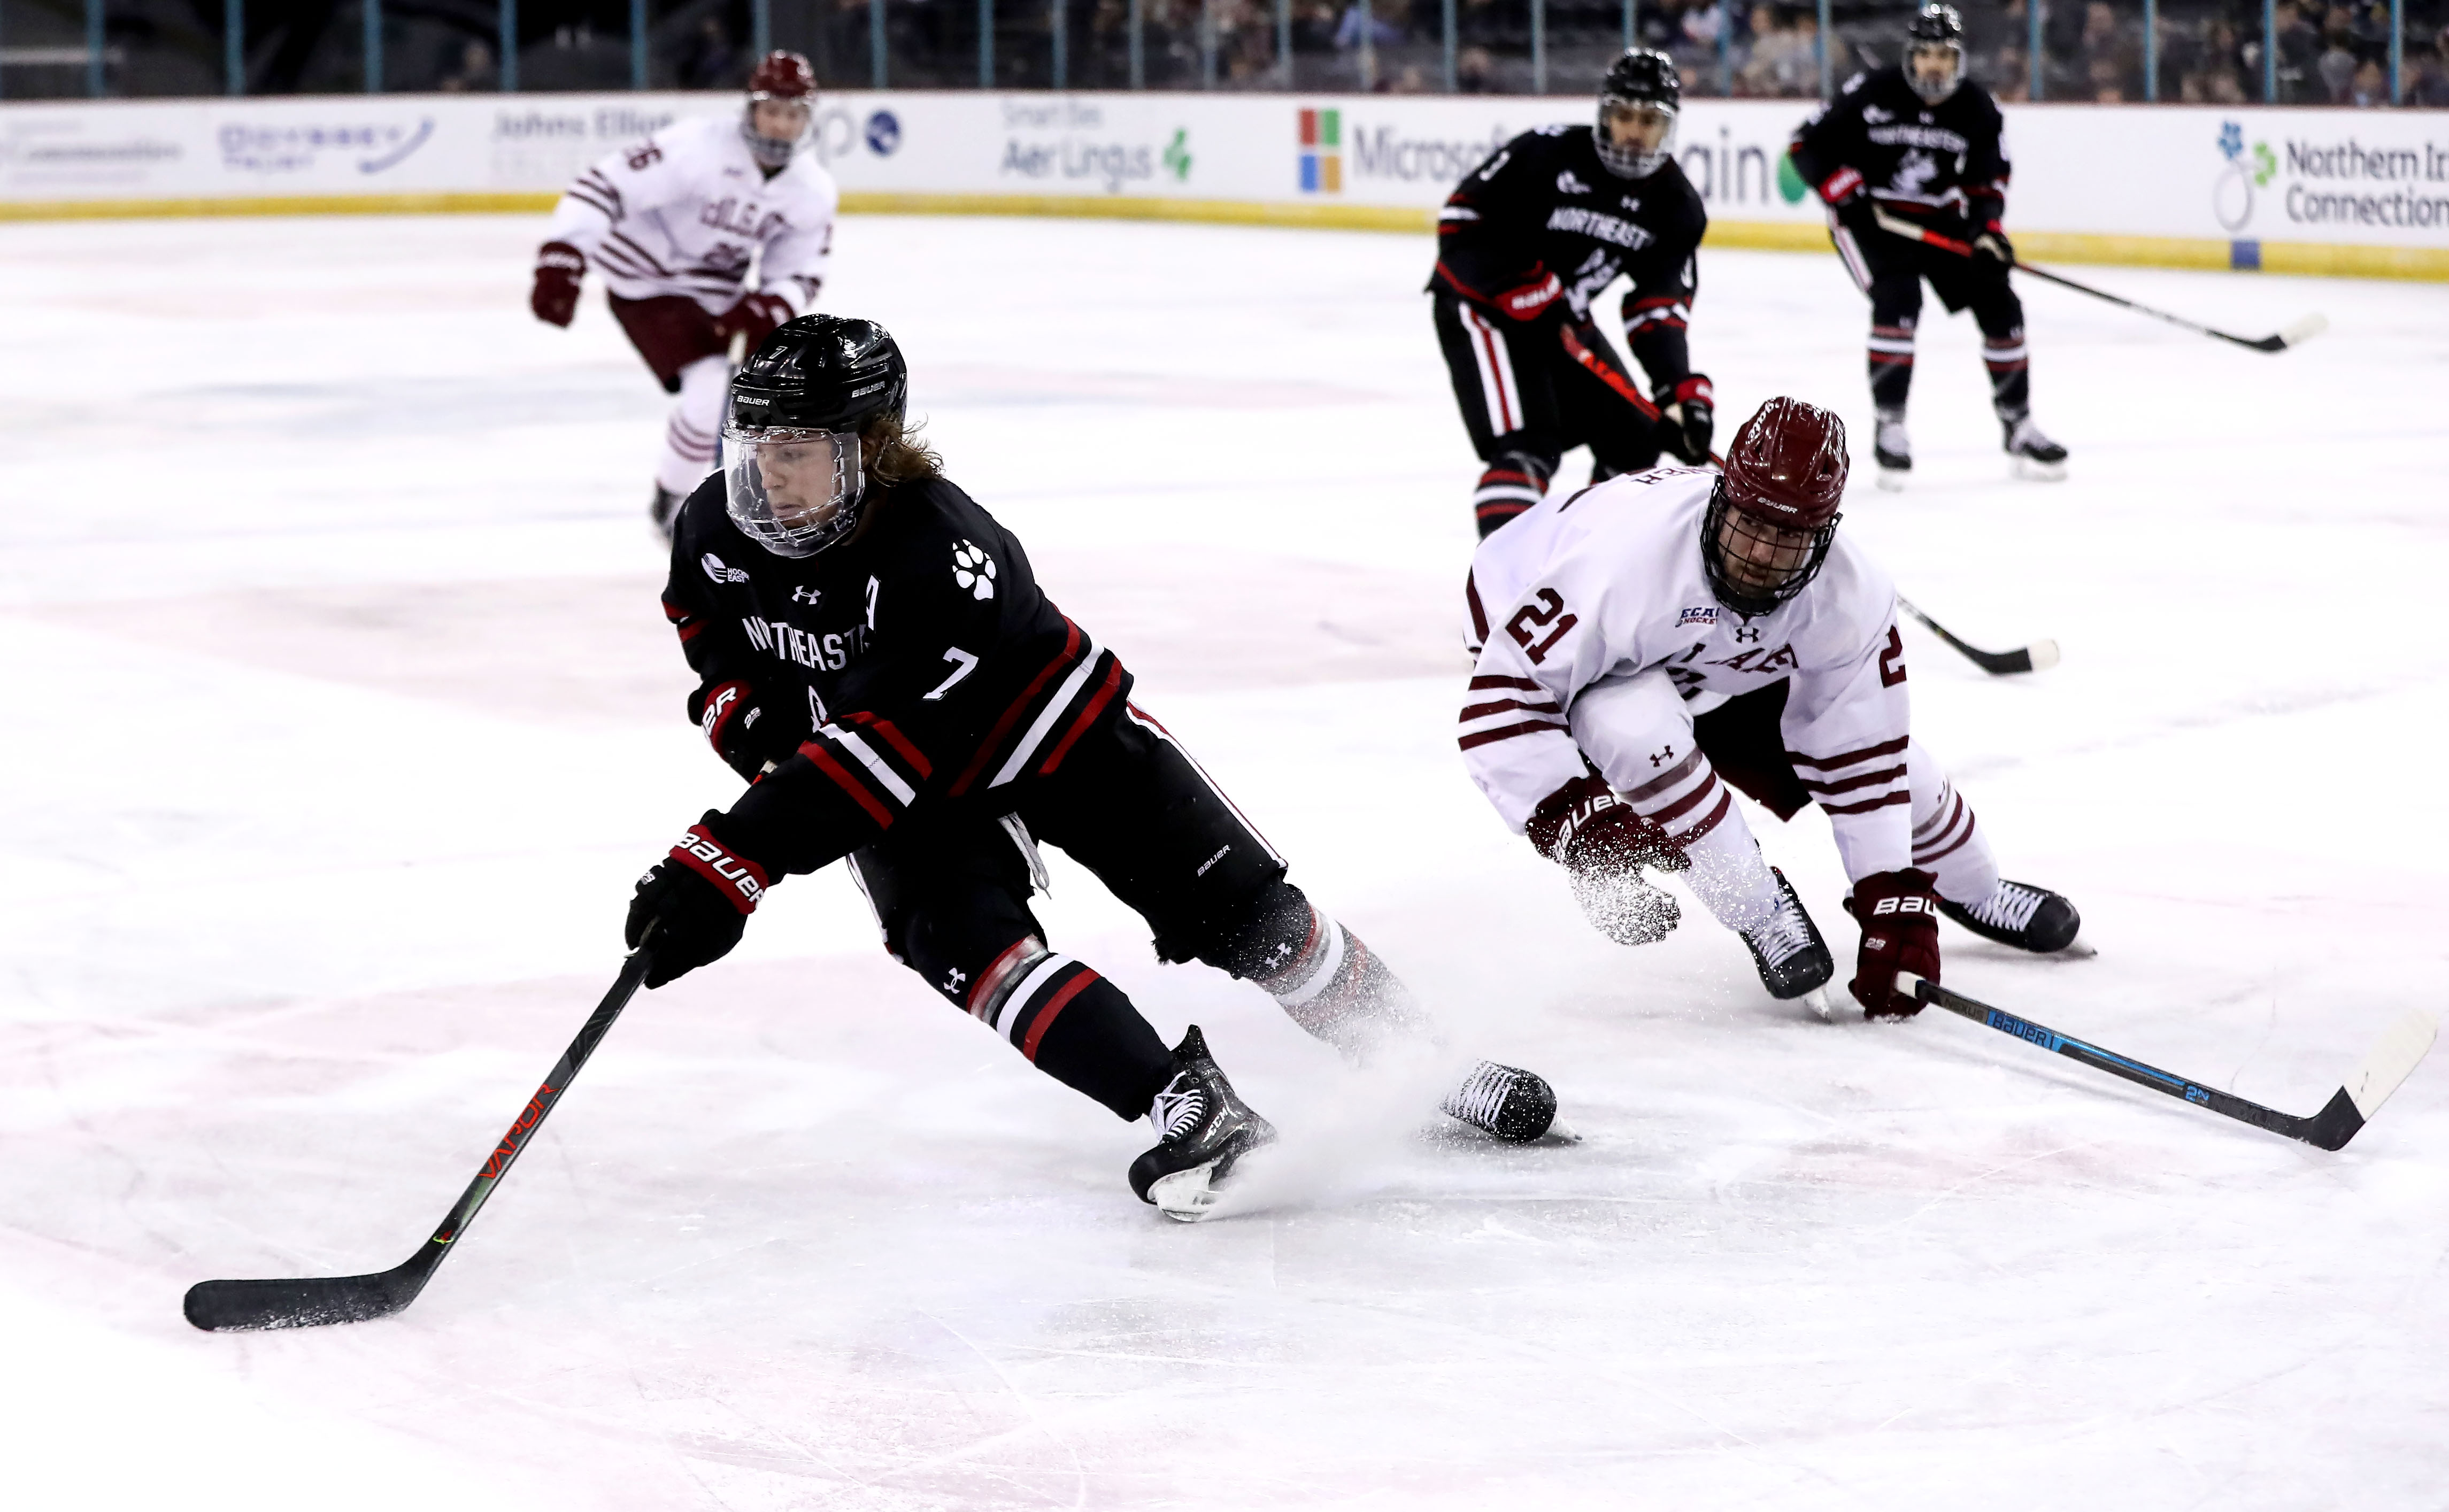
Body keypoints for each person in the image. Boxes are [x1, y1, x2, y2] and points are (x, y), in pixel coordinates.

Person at [623, 315, 1560, 1221]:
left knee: (1246, 916)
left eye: (800, 451)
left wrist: (728, 861)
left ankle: (1423, 1059)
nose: (769, 476)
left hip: (1056, 738)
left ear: (871, 447)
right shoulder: (715, 529)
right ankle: (1191, 1109)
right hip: (898, 779)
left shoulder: (941, 557)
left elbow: (883, 754)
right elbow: (712, 641)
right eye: (759, 444)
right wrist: (752, 728)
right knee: (973, 955)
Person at [1456, 398, 2082, 1020]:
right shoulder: (1625, 562)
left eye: (1787, 536)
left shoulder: (1848, 591)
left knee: (1904, 770)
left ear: (1824, 532)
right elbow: (1505, 698)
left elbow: (1863, 752)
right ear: (1722, 499)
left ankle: (1972, 886)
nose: (1759, 553)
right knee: (1636, 729)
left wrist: (1890, 896)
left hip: (1702, 651)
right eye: (1750, 523)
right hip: (1558, 634)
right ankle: (1759, 909)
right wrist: (1578, 824)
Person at [528, 50, 840, 538]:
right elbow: (601, 187)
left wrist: (769, 307)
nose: (781, 126)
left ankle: (704, 497)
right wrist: (564, 256)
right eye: (772, 111)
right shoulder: (697, 147)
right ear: (751, 109)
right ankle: (672, 505)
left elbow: (801, 272)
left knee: (746, 395)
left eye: (794, 115)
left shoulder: (811, 189)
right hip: (644, 284)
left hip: (713, 296)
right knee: (712, 391)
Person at [1430, 48, 1714, 539]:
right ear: (1603, 114)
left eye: (1648, 120)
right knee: (1527, 445)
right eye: (1623, 114)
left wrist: (1678, 392)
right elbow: (1461, 222)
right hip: (1483, 309)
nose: (1632, 130)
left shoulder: (1676, 205)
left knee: (1635, 443)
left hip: (1562, 321)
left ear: (1668, 128)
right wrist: (1521, 286)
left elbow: (1658, 308)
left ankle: (1577, 566)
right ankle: (1508, 594)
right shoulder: (1546, 153)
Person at [1789, 3, 2067, 489]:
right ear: (1910, 57)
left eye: (1945, 55)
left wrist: (1986, 232)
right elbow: (1806, 145)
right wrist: (1844, 192)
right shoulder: (1873, 91)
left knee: (2000, 302)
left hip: (1938, 222)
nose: (1935, 64)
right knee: (1898, 301)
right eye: (1926, 55)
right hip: (1870, 222)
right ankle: (1891, 423)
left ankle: (2019, 424)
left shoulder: (1977, 107)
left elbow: (1987, 182)